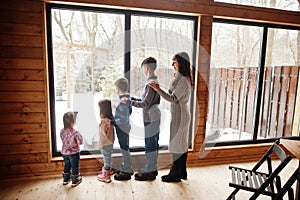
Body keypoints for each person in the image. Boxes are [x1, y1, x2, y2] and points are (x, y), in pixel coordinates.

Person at [149, 52, 192, 182]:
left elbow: (173, 98)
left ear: (181, 63)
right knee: (181, 144)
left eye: (175, 62)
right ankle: (182, 171)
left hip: (180, 115)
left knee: (176, 144)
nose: (172, 64)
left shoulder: (184, 80)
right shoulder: (180, 77)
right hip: (179, 113)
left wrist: (158, 89)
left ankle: (175, 173)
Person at [126, 57, 161, 181]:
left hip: (151, 117)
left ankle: (150, 172)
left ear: (147, 67)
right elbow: (144, 100)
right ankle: (151, 168)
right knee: (153, 143)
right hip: (153, 116)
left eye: (143, 68)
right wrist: (132, 99)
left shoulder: (151, 82)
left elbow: (145, 103)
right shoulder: (152, 81)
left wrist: (129, 102)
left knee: (150, 145)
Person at [103, 77, 133, 181]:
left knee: (124, 149)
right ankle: (128, 166)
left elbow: (123, 119)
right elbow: (128, 112)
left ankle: (127, 170)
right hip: (125, 127)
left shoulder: (123, 101)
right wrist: (118, 109)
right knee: (125, 148)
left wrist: (111, 122)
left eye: (116, 88)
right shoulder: (126, 98)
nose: (115, 90)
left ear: (118, 88)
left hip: (123, 128)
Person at [60, 111, 83, 187]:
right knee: (74, 166)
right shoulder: (75, 132)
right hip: (74, 153)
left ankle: (65, 179)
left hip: (64, 153)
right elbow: (80, 142)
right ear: (73, 122)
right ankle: (75, 180)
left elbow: (63, 139)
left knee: (67, 165)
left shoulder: (62, 131)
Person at [97, 99, 115, 183]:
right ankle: (108, 170)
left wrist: (100, 145)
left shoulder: (103, 122)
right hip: (110, 143)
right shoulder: (110, 120)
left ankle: (106, 176)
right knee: (108, 158)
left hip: (105, 144)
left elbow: (103, 136)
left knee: (106, 158)